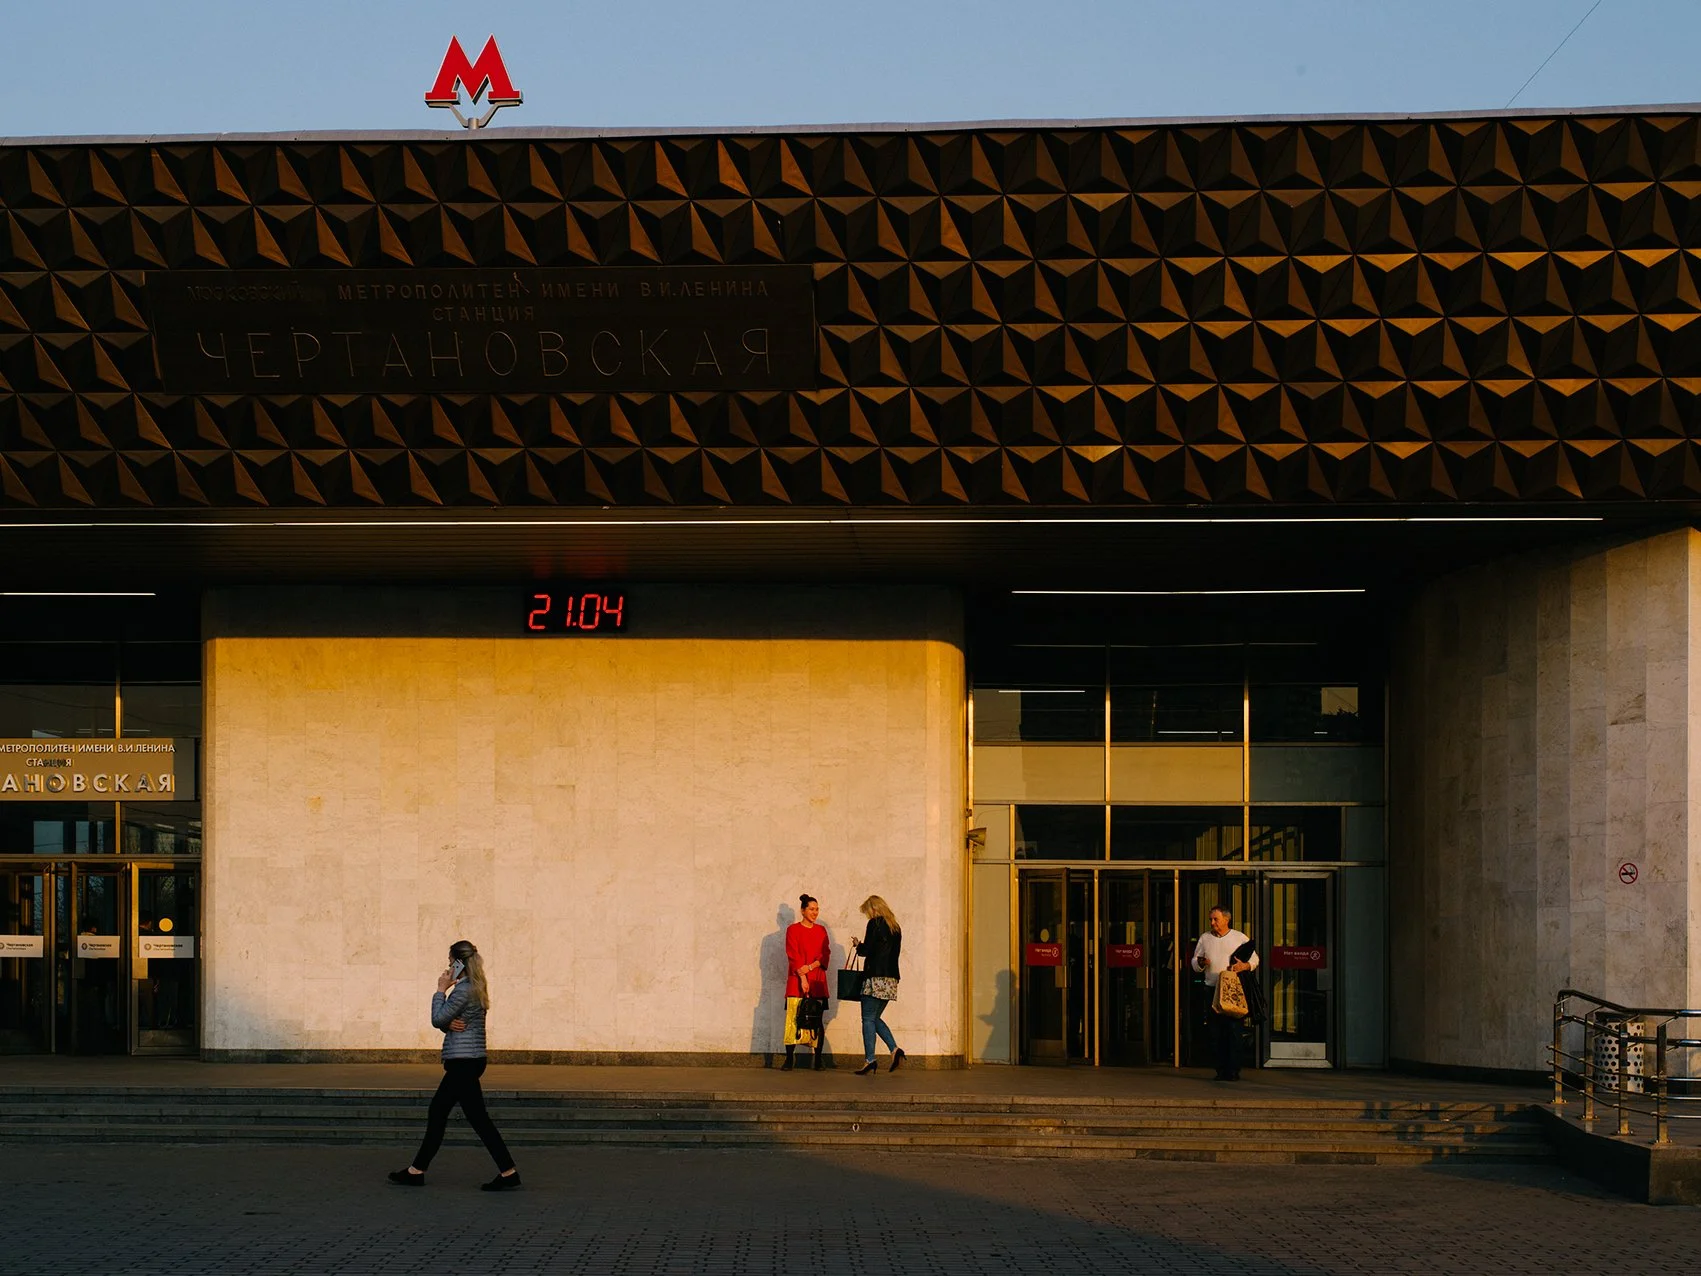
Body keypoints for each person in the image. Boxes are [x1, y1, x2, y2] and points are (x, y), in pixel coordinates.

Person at [388, 940, 521, 1190]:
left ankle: (508, 1172)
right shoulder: (476, 987)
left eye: (451, 961)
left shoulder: (462, 990)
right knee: (443, 1112)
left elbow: (437, 1018)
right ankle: (417, 1170)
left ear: (459, 962)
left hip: (462, 1062)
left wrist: (440, 990)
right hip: (470, 1059)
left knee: (467, 1118)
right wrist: (447, 1024)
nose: (448, 966)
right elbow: (451, 1020)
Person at [1191, 906, 1259, 1081]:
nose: (1212, 923)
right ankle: (1220, 1069)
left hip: (1231, 989)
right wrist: (1201, 963)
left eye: (1216, 919)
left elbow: (1254, 959)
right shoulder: (1205, 938)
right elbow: (1194, 961)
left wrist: (1244, 966)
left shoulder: (1239, 937)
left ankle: (1233, 1069)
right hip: (1212, 989)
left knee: (1234, 1030)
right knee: (1215, 1032)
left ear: (1226, 920)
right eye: (1211, 919)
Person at [848, 894, 905, 1076]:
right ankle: (895, 1050)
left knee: (867, 1019)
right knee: (874, 1018)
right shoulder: (895, 927)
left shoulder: (875, 924)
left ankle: (870, 1060)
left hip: (874, 978)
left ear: (873, 909)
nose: (867, 916)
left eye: (867, 912)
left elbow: (867, 951)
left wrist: (858, 945)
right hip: (890, 979)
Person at [782, 893, 830, 1071]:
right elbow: (792, 954)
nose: (815, 912)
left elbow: (825, 954)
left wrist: (810, 968)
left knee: (816, 1020)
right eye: (811, 909)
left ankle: (817, 1059)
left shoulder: (821, 931)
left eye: (817, 909)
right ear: (802, 910)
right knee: (793, 1020)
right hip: (796, 981)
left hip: (817, 980)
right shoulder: (792, 930)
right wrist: (802, 977)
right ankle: (789, 1059)